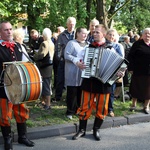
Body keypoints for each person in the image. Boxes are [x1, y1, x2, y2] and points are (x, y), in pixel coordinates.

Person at [72, 25, 125, 141]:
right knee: (84, 107)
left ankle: (96, 129)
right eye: (93, 32)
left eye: (97, 32)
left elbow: (120, 67)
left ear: (104, 34)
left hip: (104, 85)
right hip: (88, 82)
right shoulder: (87, 48)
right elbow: (76, 58)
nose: (94, 34)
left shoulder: (111, 49)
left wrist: (120, 73)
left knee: (102, 109)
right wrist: (78, 63)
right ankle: (81, 130)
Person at [0, 21, 34, 150]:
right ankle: (7, 140)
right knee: (5, 115)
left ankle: (22, 137)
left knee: (21, 111)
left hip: (19, 87)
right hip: (3, 87)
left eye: (10, 29)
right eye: (5, 30)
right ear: (0, 33)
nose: (9, 32)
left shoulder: (19, 46)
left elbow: (26, 63)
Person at [64, 27, 89, 119]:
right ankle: (70, 111)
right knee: (72, 92)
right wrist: (76, 61)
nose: (85, 35)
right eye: (83, 33)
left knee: (81, 92)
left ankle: (78, 109)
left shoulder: (88, 44)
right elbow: (66, 55)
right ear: (77, 33)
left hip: (83, 73)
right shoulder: (71, 43)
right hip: (73, 71)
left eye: (86, 33)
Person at [52, 17, 76, 102]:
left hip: (74, 61)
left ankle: (71, 97)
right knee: (60, 79)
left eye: (73, 23)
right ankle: (58, 96)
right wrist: (59, 58)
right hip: (63, 60)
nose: (71, 25)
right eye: (70, 23)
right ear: (67, 24)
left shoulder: (77, 34)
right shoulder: (62, 35)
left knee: (73, 79)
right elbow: (58, 48)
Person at [128, 28, 150, 114]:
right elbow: (130, 56)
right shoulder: (137, 44)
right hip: (138, 70)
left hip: (149, 71)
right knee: (136, 88)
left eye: (149, 34)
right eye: (146, 33)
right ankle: (133, 105)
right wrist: (131, 68)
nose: (148, 35)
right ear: (142, 35)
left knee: (148, 90)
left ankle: (146, 106)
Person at [33, 28, 54, 110]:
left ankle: (47, 104)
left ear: (44, 35)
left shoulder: (44, 43)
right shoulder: (51, 42)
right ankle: (44, 102)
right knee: (47, 84)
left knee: (46, 86)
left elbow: (41, 55)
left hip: (44, 67)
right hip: (49, 67)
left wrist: (34, 55)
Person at [105, 29, 124, 117]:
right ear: (106, 35)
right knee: (102, 91)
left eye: (113, 35)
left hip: (113, 72)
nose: (111, 36)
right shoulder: (102, 44)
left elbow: (122, 59)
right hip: (103, 71)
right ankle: (101, 108)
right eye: (109, 34)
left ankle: (110, 109)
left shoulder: (118, 46)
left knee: (111, 91)